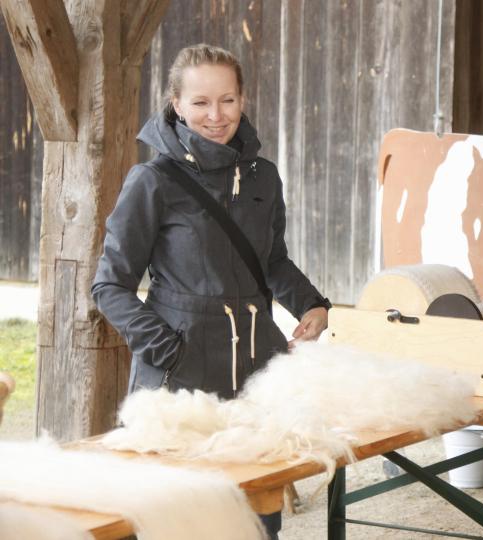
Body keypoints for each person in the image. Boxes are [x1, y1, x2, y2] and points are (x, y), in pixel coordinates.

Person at [92, 44, 331, 539]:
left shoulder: (264, 175)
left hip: (257, 374)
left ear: (242, 100)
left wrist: (311, 303)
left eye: (227, 100)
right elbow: (110, 285)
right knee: (166, 512)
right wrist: (167, 347)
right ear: (176, 104)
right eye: (200, 102)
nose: (215, 115)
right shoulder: (152, 181)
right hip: (178, 378)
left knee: (257, 514)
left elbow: (271, 261)